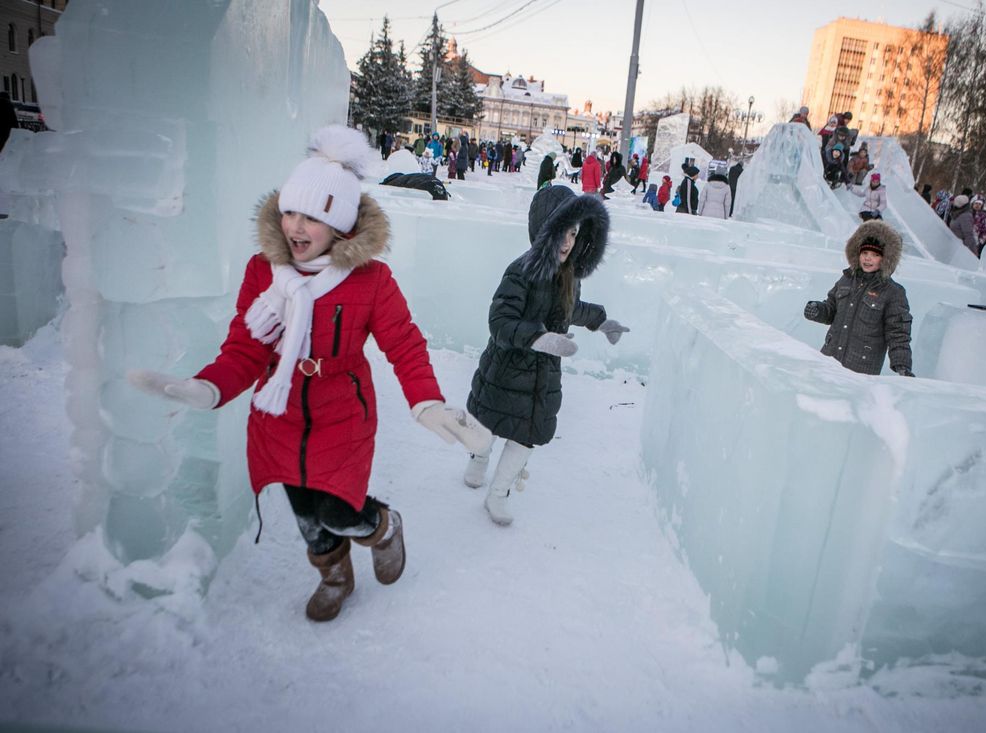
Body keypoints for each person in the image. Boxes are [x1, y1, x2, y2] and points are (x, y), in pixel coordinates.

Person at [127, 126, 489, 622]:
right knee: (304, 510)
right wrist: (209, 387)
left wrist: (425, 400)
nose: (296, 225)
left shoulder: (372, 280)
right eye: (291, 211)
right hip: (280, 411)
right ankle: (335, 575)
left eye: (313, 216)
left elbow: (404, 343)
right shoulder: (263, 271)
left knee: (337, 507)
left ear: (339, 224)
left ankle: (382, 527)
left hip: (343, 409)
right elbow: (245, 347)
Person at [463, 185, 628, 525]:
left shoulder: (570, 276)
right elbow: (500, 320)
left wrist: (601, 321)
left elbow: (570, 310)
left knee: (526, 437)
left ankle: (498, 494)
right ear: (542, 232)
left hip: (543, 379)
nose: (567, 242)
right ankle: (478, 459)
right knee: (488, 427)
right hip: (506, 370)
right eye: (559, 233)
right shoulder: (520, 271)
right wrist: (539, 339)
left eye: (572, 233)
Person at [803, 220, 913, 377]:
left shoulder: (893, 292)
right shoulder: (846, 280)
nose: (868, 259)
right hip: (829, 359)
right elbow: (831, 309)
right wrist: (817, 310)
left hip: (860, 370)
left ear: (886, 259)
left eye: (875, 255)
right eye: (865, 253)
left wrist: (902, 365)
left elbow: (898, 333)